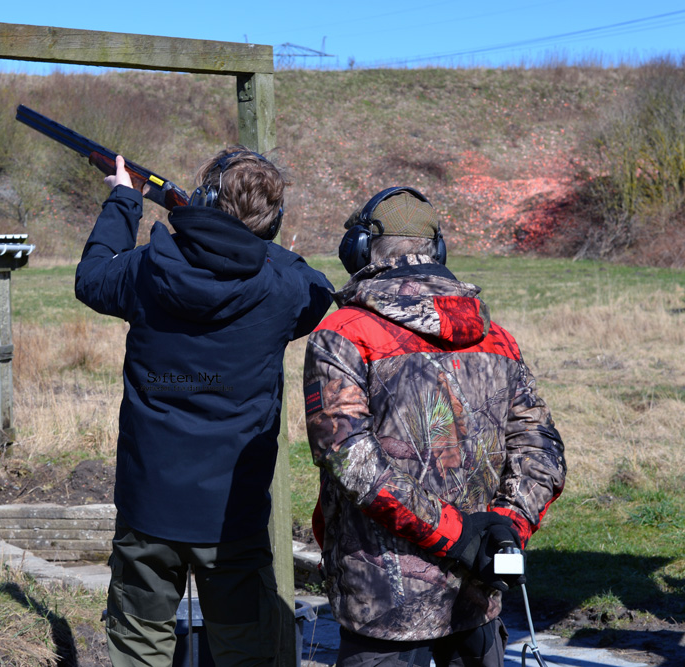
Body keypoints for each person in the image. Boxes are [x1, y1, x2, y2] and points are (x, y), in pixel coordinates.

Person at [76, 149, 334, 666]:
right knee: (246, 654)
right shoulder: (283, 286)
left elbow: (91, 276)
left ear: (203, 200)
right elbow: (318, 287)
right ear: (273, 221)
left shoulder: (149, 268)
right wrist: (251, 242)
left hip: (148, 507)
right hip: (232, 519)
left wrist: (126, 200)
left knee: (139, 650)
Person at [302, 186, 567, 667]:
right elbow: (542, 450)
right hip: (477, 600)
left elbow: (351, 459)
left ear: (360, 250)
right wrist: (503, 531)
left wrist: (467, 535)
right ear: (437, 249)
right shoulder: (497, 338)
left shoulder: (343, 333)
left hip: (383, 612)